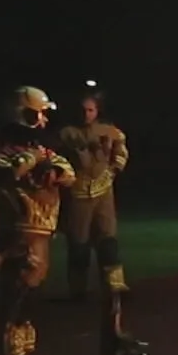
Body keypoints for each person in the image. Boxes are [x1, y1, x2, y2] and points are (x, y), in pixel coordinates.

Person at [0, 87, 76, 355]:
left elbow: (68, 172)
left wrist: (56, 170)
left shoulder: (42, 148)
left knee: (33, 290)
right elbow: (3, 172)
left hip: (40, 227)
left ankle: (24, 347)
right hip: (20, 228)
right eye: (40, 113)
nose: (44, 120)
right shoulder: (5, 148)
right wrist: (33, 161)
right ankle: (9, 353)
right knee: (17, 288)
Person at [58, 90, 130, 300]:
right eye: (82, 110)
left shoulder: (109, 131)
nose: (85, 114)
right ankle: (78, 289)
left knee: (108, 238)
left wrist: (113, 170)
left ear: (97, 111)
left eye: (90, 110)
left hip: (103, 189)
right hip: (77, 191)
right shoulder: (66, 133)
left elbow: (121, 153)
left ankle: (115, 284)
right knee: (78, 242)